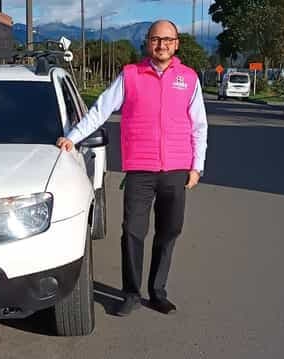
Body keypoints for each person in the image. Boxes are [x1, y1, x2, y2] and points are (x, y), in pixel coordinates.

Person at [56, 20, 208, 316]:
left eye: (167, 39)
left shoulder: (189, 79)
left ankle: (158, 291)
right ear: (147, 43)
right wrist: (72, 138)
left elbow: (199, 126)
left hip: (176, 169)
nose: (161, 44)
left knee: (170, 230)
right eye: (155, 39)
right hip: (140, 169)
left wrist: (197, 167)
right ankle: (131, 293)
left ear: (176, 44)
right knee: (133, 232)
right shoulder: (130, 75)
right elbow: (100, 110)